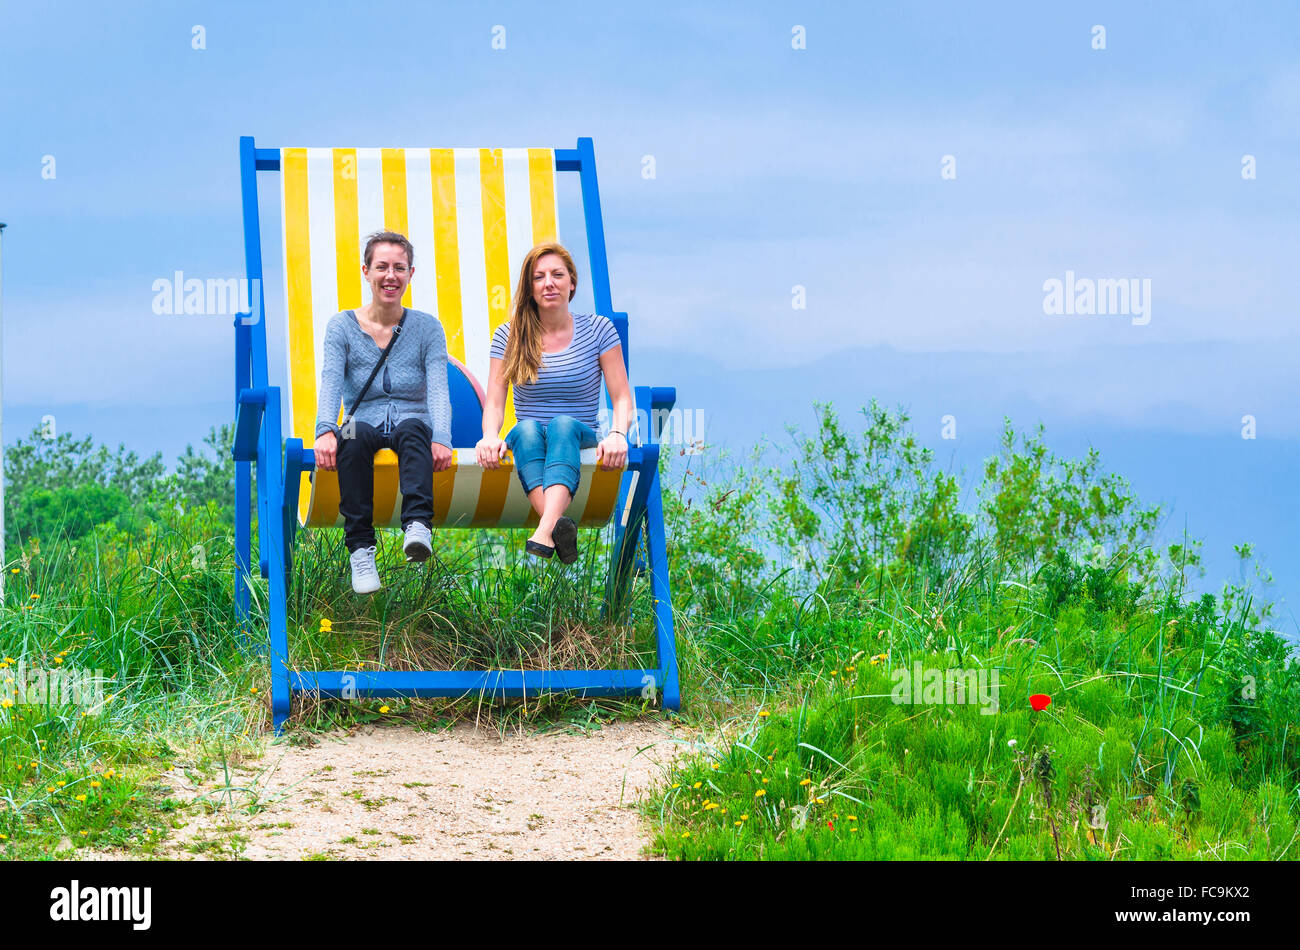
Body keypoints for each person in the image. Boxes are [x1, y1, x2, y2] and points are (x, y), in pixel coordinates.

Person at [313, 231, 454, 594]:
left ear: (410, 274)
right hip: (364, 418)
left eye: (399, 268)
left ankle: (418, 527)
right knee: (351, 437)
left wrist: (442, 437)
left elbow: (439, 387)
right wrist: (325, 429)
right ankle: (360, 550)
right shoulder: (342, 326)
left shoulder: (427, 327)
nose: (390, 275)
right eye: (382, 267)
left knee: (413, 430)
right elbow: (330, 380)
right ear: (366, 271)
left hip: (414, 418)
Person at [476, 242, 633, 564]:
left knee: (561, 424)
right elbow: (494, 402)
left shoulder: (597, 329)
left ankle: (543, 528)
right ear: (530, 287)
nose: (549, 283)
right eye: (539, 277)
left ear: (571, 283)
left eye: (557, 275)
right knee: (525, 430)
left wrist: (617, 433)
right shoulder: (509, 335)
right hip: (533, 442)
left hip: (580, 437)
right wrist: (491, 435)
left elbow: (621, 396)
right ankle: (556, 527)